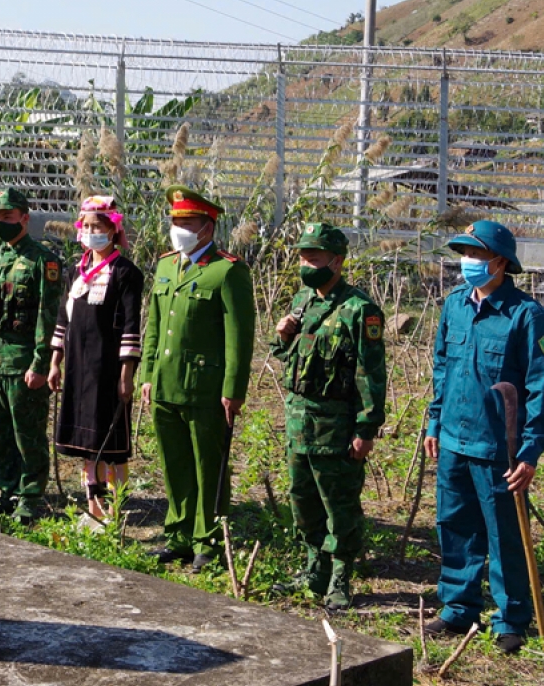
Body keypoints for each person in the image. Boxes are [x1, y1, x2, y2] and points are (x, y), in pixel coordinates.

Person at [423, 219, 544, 655]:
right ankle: (458, 608)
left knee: (504, 535)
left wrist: (530, 452)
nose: (468, 263)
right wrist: (434, 422)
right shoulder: (455, 305)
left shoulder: (526, 315)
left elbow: (538, 387)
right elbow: (442, 368)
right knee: (454, 526)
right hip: (454, 441)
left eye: (477, 255)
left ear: (500, 262)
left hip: (499, 447)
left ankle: (510, 618)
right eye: (465, 254)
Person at [269, 222, 387, 611]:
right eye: (303, 257)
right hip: (299, 422)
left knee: (339, 502)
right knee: (302, 500)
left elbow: (370, 373)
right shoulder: (304, 301)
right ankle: (313, 570)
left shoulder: (359, 309)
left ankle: (339, 576)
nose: (306, 263)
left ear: (336, 261)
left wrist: (366, 428)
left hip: (336, 426)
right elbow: (290, 360)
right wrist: (283, 337)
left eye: (314, 257)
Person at [138, 186, 255, 571]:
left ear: (208, 227)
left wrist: (233, 389)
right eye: (175, 222)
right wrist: (147, 373)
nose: (179, 229)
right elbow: (155, 325)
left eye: (186, 223)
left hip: (205, 388)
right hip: (166, 383)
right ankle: (179, 536)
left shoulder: (227, 270)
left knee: (209, 468)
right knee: (175, 464)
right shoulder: (167, 265)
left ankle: (208, 541)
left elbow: (239, 336)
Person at [48, 196, 144, 526]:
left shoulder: (126, 273)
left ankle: (114, 509)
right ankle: (93, 506)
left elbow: (131, 325)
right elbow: (64, 317)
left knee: (109, 442)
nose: (91, 232)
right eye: (86, 227)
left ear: (113, 231)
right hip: (78, 367)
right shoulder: (79, 270)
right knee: (85, 443)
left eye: (98, 227)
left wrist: (126, 373)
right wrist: (55, 361)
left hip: (107, 369)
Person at [0, 187, 62, 523]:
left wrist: (41, 363)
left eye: (7, 217)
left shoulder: (44, 259)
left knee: (28, 432)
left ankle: (30, 496)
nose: (0, 222)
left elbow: (47, 316)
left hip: (23, 359)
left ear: (24, 218)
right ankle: (7, 490)